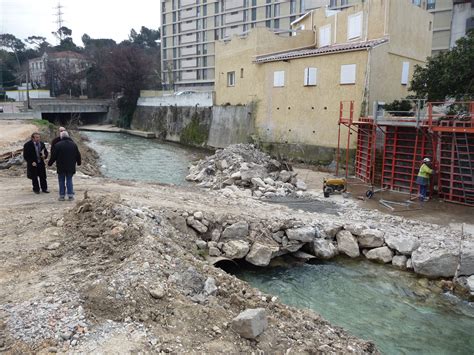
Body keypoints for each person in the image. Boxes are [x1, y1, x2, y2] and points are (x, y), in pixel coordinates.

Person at [48, 131, 81, 201]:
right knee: (69, 180)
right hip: (71, 166)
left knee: (61, 181)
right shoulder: (73, 145)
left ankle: (62, 196)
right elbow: (78, 155)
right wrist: (79, 162)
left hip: (61, 166)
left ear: (61, 137)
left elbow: (54, 156)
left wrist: (50, 163)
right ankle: (70, 196)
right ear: (68, 136)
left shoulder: (58, 145)